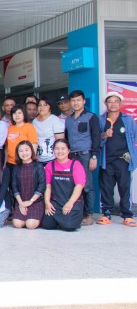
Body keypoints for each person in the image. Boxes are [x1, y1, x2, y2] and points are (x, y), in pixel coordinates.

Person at [98, 92, 137, 226]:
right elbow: (96, 139)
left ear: (120, 103)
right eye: (110, 102)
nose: (113, 104)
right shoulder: (101, 120)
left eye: (116, 101)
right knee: (106, 187)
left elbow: (133, 137)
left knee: (125, 187)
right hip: (106, 159)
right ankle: (106, 214)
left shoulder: (128, 119)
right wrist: (105, 135)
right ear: (106, 104)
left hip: (123, 159)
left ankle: (127, 215)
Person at [64, 89, 100, 226]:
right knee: (74, 185)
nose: (76, 103)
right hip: (72, 156)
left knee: (87, 185)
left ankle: (89, 215)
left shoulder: (91, 117)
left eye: (78, 100)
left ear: (84, 101)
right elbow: (66, 138)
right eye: (73, 100)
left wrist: (94, 156)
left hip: (86, 155)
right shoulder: (68, 119)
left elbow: (96, 138)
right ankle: (78, 213)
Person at [43, 139, 85, 231]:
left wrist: (70, 203)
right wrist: (47, 203)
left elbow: (79, 186)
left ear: (68, 150)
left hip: (72, 203)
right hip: (56, 203)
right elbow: (48, 186)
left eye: (63, 148)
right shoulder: (50, 166)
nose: (60, 151)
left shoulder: (76, 165)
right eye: (57, 148)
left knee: (69, 226)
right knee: (47, 225)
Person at [11, 141, 46, 229]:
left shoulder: (38, 166)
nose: (24, 153)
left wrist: (31, 201)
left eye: (26, 150)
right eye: (21, 151)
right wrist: (21, 203)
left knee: (30, 225)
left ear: (31, 151)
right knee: (17, 224)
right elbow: (14, 187)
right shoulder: (16, 168)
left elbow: (42, 185)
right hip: (21, 201)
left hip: (35, 202)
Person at [32, 98, 65, 163]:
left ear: (50, 108)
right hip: (38, 159)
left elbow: (60, 141)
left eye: (45, 105)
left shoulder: (54, 120)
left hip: (53, 158)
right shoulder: (34, 122)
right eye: (40, 105)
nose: (42, 107)